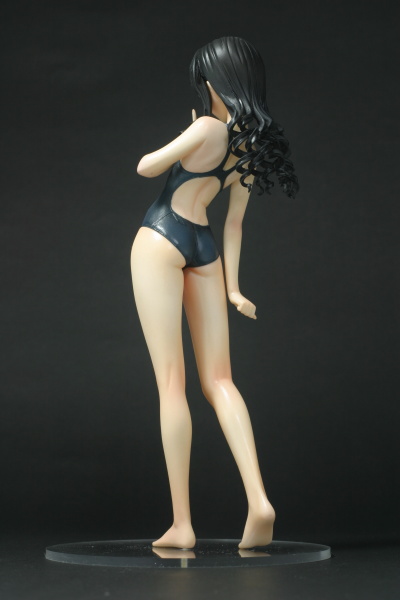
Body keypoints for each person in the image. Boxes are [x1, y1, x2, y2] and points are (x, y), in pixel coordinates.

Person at [130, 36, 299, 549]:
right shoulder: (249, 147)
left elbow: (146, 166)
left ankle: (182, 524)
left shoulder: (205, 127)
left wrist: (190, 132)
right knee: (221, 380)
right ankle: (259, 499)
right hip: (204, 248)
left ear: (212, 83)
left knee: (171, 384)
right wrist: (234, 289)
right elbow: (234, 225)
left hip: (162, 237)